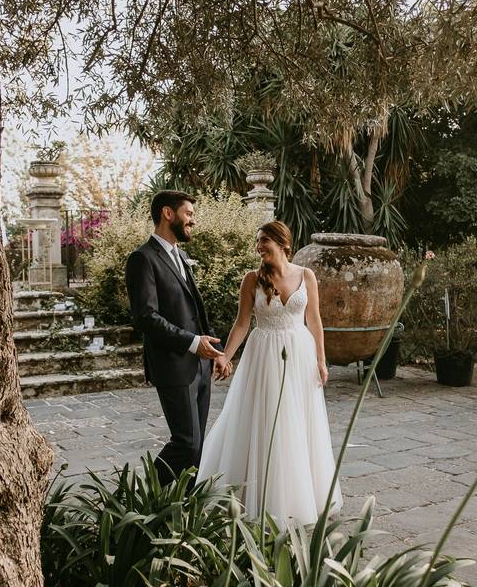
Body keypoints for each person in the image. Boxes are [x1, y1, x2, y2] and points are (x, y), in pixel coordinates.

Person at [197, 220, 342, 528]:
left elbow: (314, 320)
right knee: (266, 421)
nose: (259, 246)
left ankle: (301, 495)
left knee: (300, 423)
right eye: (258, 242)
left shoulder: (307, 276)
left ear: (282, 243)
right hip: (264, 356)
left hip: (299, 355)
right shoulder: (252, 279)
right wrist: (225, 355)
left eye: (264, 241)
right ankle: (262, 494)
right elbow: (241, 323)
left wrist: (321, 359)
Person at [125, 190, 232, 486]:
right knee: (185, 442)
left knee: (195, 449)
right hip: (172, 364)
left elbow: (197, 309)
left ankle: (182, 510)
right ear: (167, 214)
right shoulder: (142, 259)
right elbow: (146, 317)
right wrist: (192, 342)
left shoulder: (181, 256)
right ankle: (142, 496)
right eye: (188, 214)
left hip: (200, 366)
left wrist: (217, 351)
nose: (192, 221)